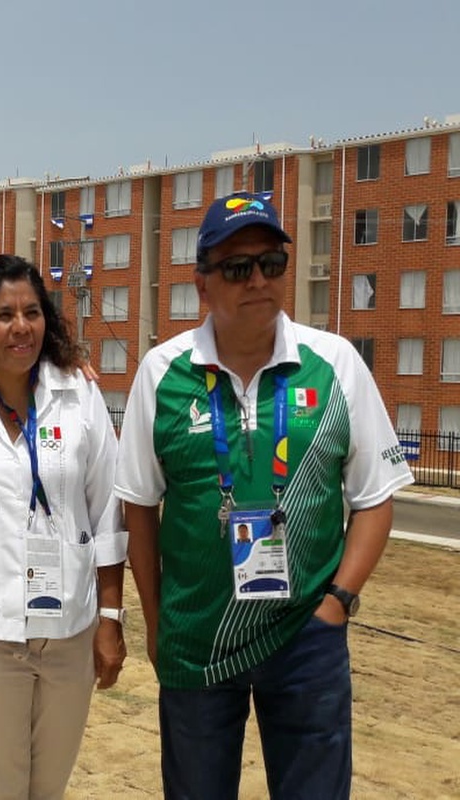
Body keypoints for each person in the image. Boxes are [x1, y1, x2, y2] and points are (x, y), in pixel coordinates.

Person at [114, 191, 414, 799]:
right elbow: (139, 507)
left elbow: (375, 497)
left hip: (306, 632)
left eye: (271, 264)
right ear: (202, 286)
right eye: (236, 267)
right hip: (198, 635)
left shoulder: (333, 364)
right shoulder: (162, 372)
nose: (258, 280)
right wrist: (155, 620)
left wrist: (338, 606)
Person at [0, 254, 127, 799]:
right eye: (3, 315)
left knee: (50, 788)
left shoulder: (79, 394)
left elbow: (108, 510)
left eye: (32, 312)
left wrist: (110, 618)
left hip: (70, 629)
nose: (21, 327)